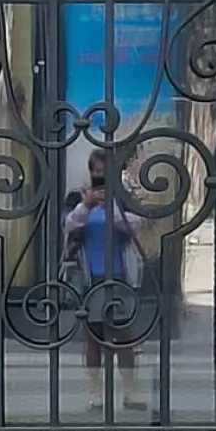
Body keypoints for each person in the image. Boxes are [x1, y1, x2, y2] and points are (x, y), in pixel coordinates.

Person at [61, 151, 146, 413]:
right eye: (96, 171)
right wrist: (86, 205)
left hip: (119, 275)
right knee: (94, 337)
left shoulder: (122, 197)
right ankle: (95, 394)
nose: (100, 176)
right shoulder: (77, 197)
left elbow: (135, 224)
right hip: (91, 277)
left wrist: (111, 208)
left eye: (105, 171)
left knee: (124, 336)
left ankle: (130, 393)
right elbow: (69, 226)